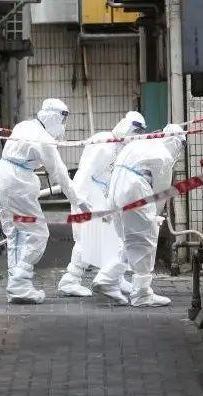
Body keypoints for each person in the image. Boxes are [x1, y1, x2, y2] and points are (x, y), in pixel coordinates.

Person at [0, 98, 90, 304]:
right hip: (18, 184)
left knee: (16, 233)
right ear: (54, 117)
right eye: (62, 120)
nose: (63, 126)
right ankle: (19, 284)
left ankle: (17, 286)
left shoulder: (24, 126)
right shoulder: (43, 138)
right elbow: (60, 174)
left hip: (3, 178)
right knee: (37, 233)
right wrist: (79, 200)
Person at [57, 112, 147, 301]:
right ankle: (70, 280)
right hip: (90, 195)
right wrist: (80, 200)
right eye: (135, 130)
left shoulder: (120, 147)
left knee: (113, 238)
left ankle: (115, 279)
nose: (136, 135)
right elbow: (85, 171)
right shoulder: (105, 143)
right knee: (87, 239)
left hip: (101, 196)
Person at [96, 124, 185, 307]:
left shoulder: (139, 143)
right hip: (134, 191)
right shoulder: (164, 155)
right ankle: (142, 294)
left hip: (116, 191)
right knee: (145, 241)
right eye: (181, 145)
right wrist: (155, 217)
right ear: (175, 142)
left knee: (128, 240)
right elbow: (161, 191)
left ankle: (107, 279)